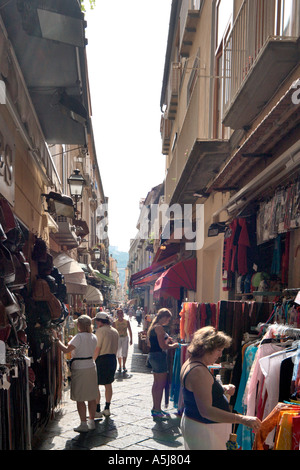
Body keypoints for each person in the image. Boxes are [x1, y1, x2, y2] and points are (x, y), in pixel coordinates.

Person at [180, 326, 262, 450]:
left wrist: (221, 388)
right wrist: (242, 419)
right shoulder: (199, 371)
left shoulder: (192, 363)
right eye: (219, 350)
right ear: (206, 348)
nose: (220, 354)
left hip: (201, 427)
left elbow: (199, 391)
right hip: (205, 431)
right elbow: (206, 411)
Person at [52, 315, 98, 433]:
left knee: (80, 397)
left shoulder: (78, 337)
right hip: (91, 366)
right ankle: (91, 421)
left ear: (79, 325)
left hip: (80, 367)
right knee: (92, 395)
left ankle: (83, 423)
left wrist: (57, 340)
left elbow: (66, 350)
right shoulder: (93, 336)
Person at [147, 308, 179, 419]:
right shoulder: (159, 328)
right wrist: (173, 346)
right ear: (164, 317)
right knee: (160, 384)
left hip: (152, 356)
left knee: (156, 384)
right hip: (159, 356)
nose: (168, 321)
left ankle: (156, 408)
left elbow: (150, 344)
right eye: (168, 319)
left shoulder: (152, 327)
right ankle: (157, 409)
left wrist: (166, 339)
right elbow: (162, 346)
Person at [93, 311, 119, 418]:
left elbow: (97, 348)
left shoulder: (100, 331)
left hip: (101, 359)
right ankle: (107, 408)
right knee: (108, 384)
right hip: (112, 359)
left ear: (100, 321)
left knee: (96, 384)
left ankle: (97, 410)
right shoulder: (115, 331)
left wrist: (92, 360)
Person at [112, 309, 133, 373]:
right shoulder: (114, 323)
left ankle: (124, 365)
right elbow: (113, 332)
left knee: (125, 352)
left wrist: (131, 339)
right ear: (117, 314)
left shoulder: (126, 321)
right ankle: (120, 366)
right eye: (119, 313)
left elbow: (130, 330)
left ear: (123, 314)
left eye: (121, 313)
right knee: (118, 353)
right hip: (118, 338)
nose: (120, 314)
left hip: (125, 337)